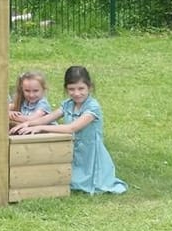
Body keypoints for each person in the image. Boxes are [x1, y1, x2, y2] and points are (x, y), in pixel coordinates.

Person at [12, 66, 127, 194]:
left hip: (90, 153)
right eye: (71, 89)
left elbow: (72, 128)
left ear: (90, 87)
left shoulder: (93, 107)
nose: (76, 93)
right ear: (66, 89)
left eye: (81, 88)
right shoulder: (68, 104)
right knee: (61, 177)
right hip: (73, 149)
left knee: (82, 182)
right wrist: (28, 124)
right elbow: (48, 117)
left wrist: (39, 128)